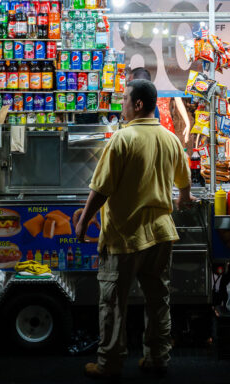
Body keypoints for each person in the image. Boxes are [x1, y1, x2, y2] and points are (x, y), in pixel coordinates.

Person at [75, 79, 194, 379]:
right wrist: (182, 198)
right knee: (158, 300)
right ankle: (157, 357)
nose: (122, 105)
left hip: (125, 236)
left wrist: (83, 220)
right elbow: (185, 180)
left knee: (114, 303)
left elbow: (101, 188)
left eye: (125, 99)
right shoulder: (170, 139)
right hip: (161, 234)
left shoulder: (122, 139)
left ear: (138, 104)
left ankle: (109, 364)